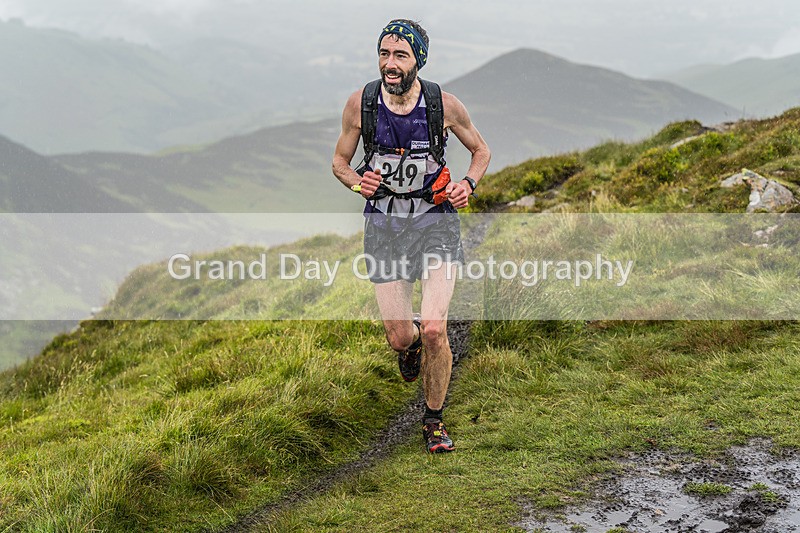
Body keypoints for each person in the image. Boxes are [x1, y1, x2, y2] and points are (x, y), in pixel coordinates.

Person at [332, 19, 490, 453]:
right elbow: (340, 162)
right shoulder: (361, 104)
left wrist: (468, 184)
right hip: (384, 227)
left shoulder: (443, 105)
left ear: (418, 59)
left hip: (435, 223)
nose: (390, 63)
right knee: (401, 337)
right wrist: (357, 182)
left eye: (400, 55)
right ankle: (411, 344)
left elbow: (481, 150)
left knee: (436, 328)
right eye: (384, 54)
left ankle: (433, 421)